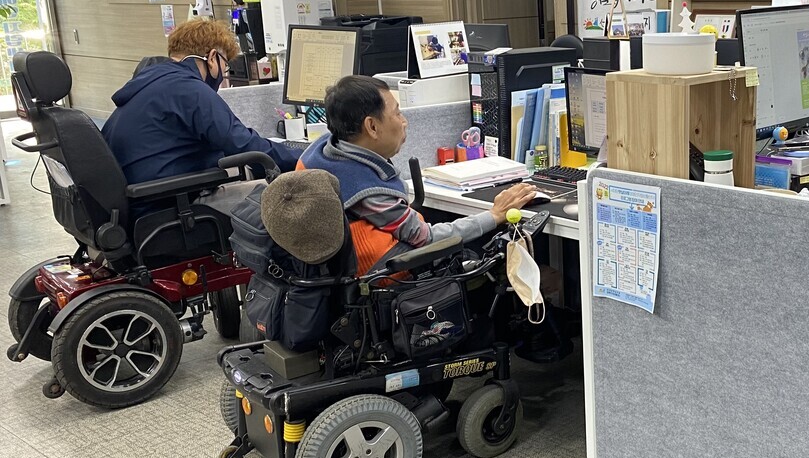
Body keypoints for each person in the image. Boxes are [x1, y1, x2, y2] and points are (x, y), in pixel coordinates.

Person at [300, 75, 535, 275]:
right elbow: (426, 238)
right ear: (372, 127)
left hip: (352, 269)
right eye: (397, 113)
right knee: (486, 250)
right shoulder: (366, 191)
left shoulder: (323, 154)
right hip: (384, 275)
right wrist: (493, 215)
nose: (405, 122)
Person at [103, 18, 297, 213]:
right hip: (164, 207)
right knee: (285, 201)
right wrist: (305, 156)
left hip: (136, 203)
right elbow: (243, 144)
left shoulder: (153, 83)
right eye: (225, 65)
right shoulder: (188, 89)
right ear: (212, 57)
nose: (222, 73)